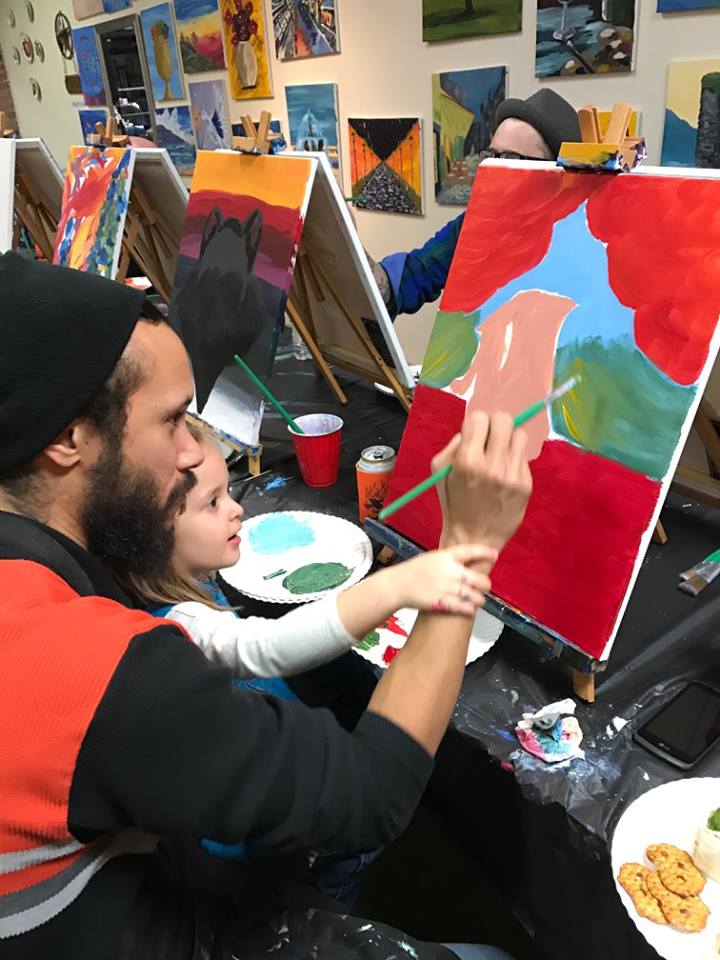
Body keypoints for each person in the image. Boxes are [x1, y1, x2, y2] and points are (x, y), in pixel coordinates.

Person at [0, 252, 531, 960]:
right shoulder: (85, 669)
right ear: (68, 437)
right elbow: (368, 795)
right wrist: (467, 550)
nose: (192, 454)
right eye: (172, 420)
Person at [111, 426, 494, 901]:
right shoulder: (174, 625)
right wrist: (398, 585)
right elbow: (268, 645)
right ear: (152, 538)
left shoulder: (184, 579)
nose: (237, 509)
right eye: (212, 503)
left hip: (272, 764)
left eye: (228, 492)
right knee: (331, 874)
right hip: (269, 840)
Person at [369, 89, 581, 319]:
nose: (493, 169)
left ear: (554, 175)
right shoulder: (476, 225)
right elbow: (414, 276)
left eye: (511, 159)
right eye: (491, 156)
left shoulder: (582, 243)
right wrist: (347, 240)